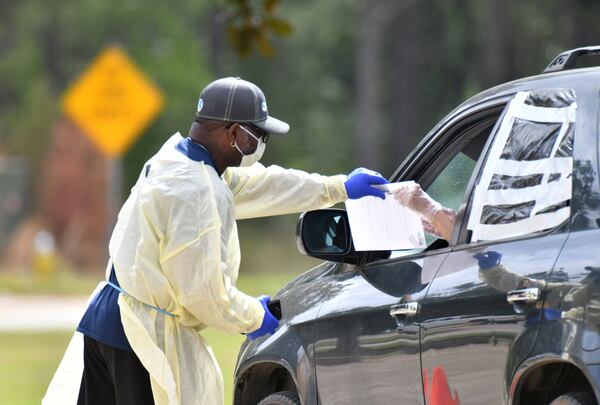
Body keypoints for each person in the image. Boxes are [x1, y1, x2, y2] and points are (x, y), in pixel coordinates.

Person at [43, 77, 388, 405]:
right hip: (137, 337)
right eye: (257, 134)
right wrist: (255, 316)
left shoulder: (181, 160)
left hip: (107, 321)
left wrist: (339, 187)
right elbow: (201, 293)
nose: (261, 145)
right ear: (234, 132)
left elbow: (264, 186)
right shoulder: (192, 190)